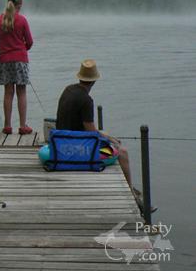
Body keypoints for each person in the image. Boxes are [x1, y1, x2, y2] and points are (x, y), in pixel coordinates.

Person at [56, 59, 151, 210]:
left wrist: (107, 136)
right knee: (123, 153)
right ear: (93, 81)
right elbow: (90, 132)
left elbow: (85, 127)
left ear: (80, 77)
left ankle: (131, 190)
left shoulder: (68, 90)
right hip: (79, 148)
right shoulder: (86, 100)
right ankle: (131, 194)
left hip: (63, 141)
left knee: (107, 136)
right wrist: (110, 140)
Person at [0, 0, 33, 135]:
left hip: (5, 60)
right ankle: (22, 126)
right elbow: (30, 42)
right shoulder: (22, 20)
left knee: (8, 93)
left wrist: (5, 49)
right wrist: (22, 49)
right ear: (19, 5)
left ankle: (7, 126)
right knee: (21, 92)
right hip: (21, 59)